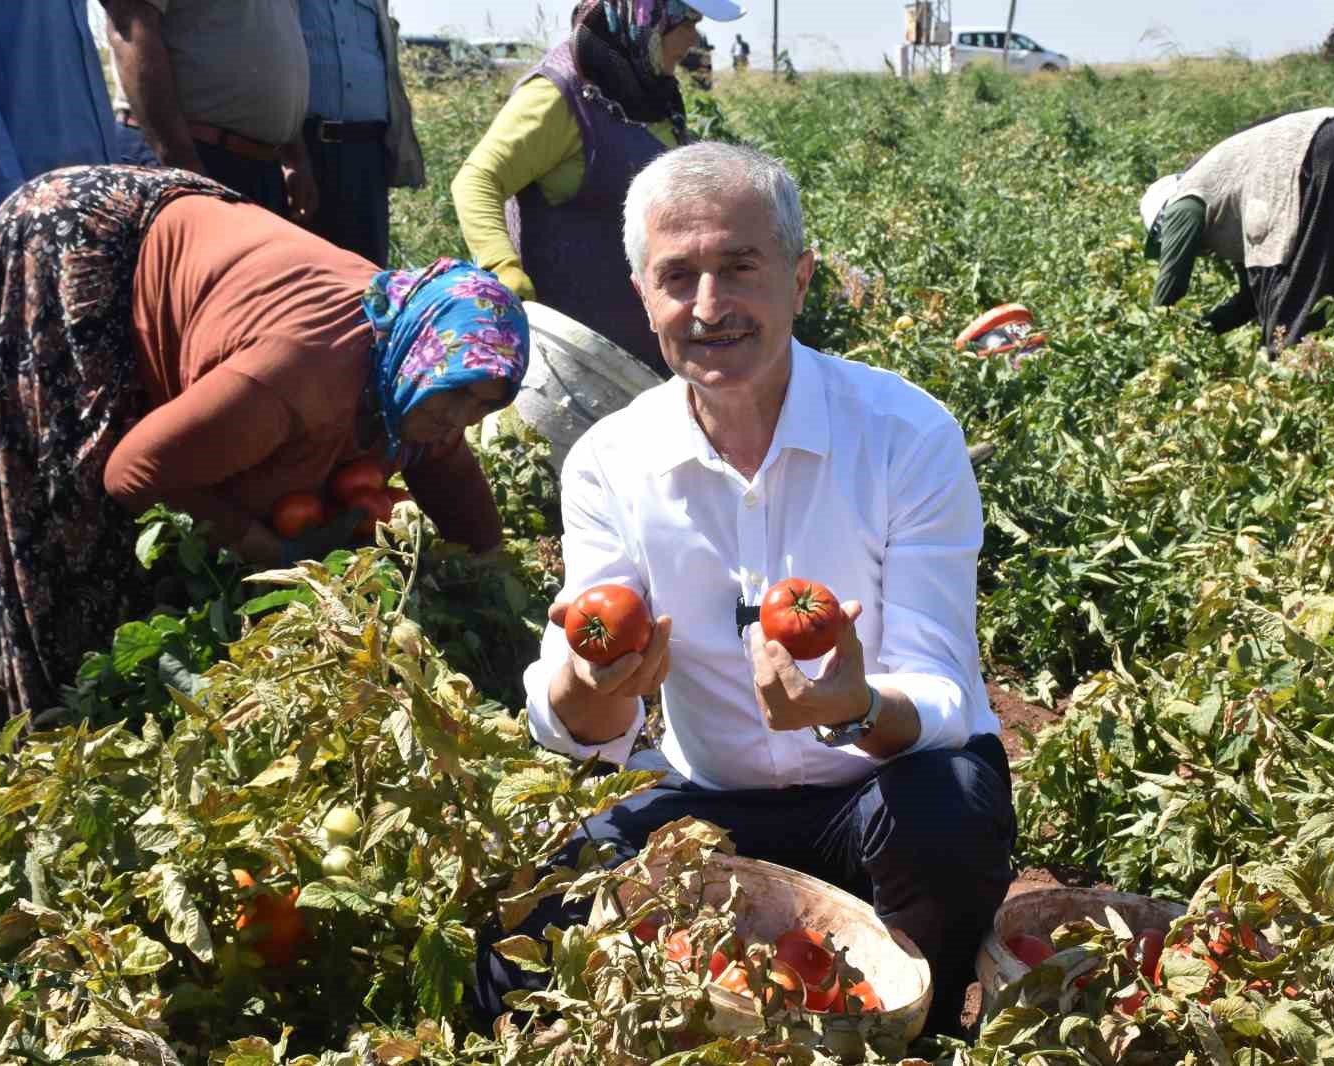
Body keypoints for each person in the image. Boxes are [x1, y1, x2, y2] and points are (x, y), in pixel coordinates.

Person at [471, 143, 1015, 1036]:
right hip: (712, 803)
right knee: (529, 934)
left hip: (874, 791)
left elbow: (946, 689)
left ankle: (913, 1023)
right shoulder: (612, 461)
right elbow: (593, 722)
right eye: (677, 277)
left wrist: (854, 706)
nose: (710, 306)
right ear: (642, 296)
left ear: (799, 280)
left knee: (948, 814)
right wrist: (588, 687)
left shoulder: (904, 433)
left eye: (740, 267)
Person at [0, 165, 528, 719]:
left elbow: (460, 499)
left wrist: (504, 599)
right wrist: (264, 548)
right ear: (422, 356)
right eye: (457, 396)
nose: (461, 420)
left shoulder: (425, 372)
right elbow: (133, 474)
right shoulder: (298, 375)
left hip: (202, 242)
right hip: (84, 237)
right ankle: (61, 716)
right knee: (76, 499)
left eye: (484, 404)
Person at [0, 0, 121, 680]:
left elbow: (85, 105)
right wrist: (5, 221)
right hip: (20, 227)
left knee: (42, 421)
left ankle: (40, 620)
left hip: (70, 223)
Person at [451, 0, 746, 380]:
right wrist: (502, 266)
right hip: (566, 366)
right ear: (647, 15)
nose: (694, 38)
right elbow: (478, 179)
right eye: (687, 22)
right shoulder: (560, 95)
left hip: (641, 358)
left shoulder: (649, 89)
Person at [1139, 107, 1334, 353]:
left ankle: (1297, 376)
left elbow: (1169, 291)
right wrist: (1200, 331)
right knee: (1331, 279)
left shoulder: (1183, 202)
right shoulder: (1230, 205)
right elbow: (1249, 301)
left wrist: (1158, 340)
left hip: (1323, 146)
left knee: (1290, 313)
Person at [104, 0, 317, 221]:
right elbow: (130, 26)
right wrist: (184, 164)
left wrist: (294, 156)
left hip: (258, 167)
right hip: (184, 155)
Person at [296, 0, 425, 266]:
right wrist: (293, 157)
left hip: (366, 154)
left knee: (367, 271)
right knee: (307, 270)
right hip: (303, 150)